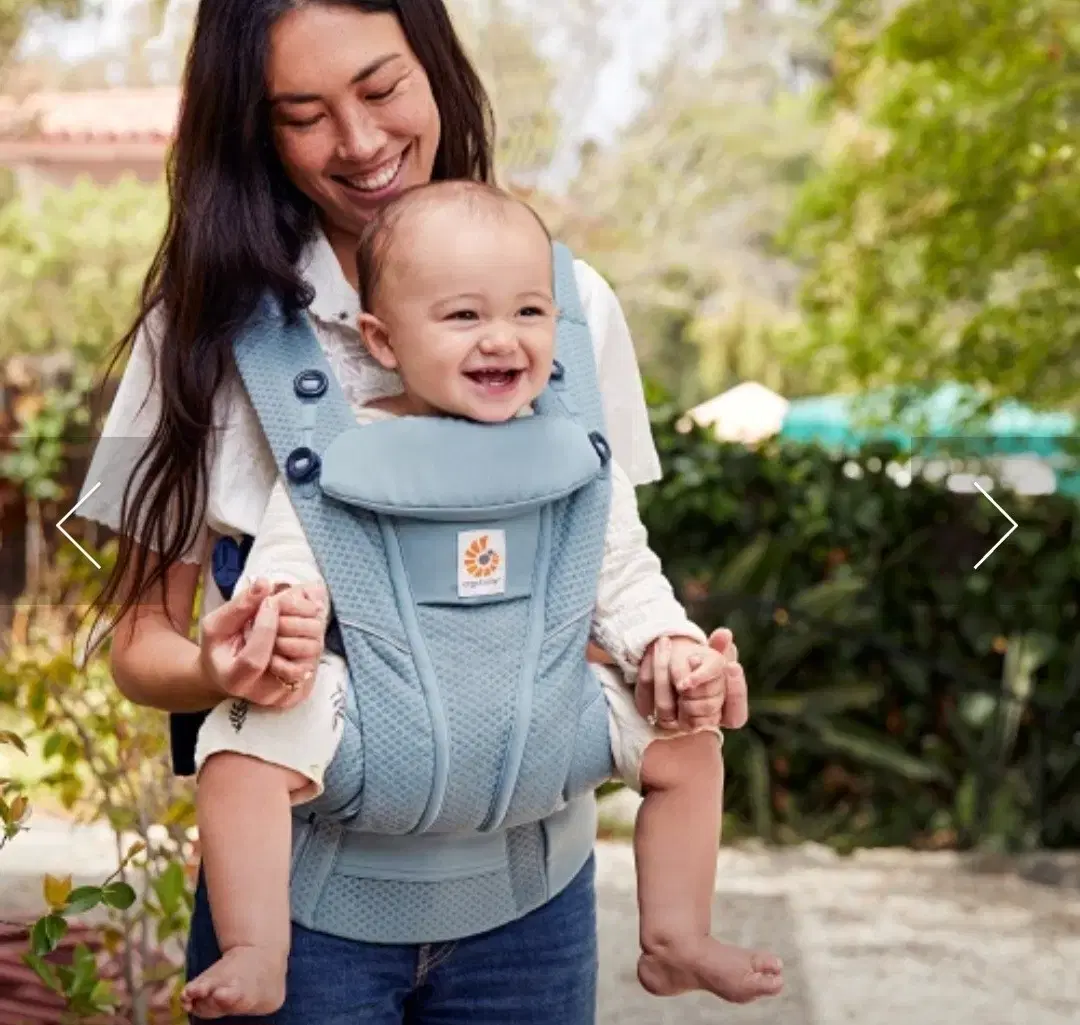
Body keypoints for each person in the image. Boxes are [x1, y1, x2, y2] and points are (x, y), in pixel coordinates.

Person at [80, 2, 752, 1021]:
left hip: (533, 898)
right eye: (302, 113)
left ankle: (678, 932)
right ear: (251, 127)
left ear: (435, 65)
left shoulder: (576, 309)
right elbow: (137, 642)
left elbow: (602, 570)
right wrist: (227, 662)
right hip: (310, 909)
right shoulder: (198, 331)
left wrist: (674, 662)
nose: (359, 140)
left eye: (382, 87)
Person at [178, 181, 784, 1018]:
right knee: (238, 750)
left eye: (530, 313)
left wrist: (671, 648)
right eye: (464, 317)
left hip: (545, 726)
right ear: (383, 339)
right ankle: (256, 945)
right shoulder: (338, 453)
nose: (502, 338)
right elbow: (285, 569)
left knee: (686, 736)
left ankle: (677, 931)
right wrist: (284, 621)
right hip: (374, 733)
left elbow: (627, 578)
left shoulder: (578, 456)